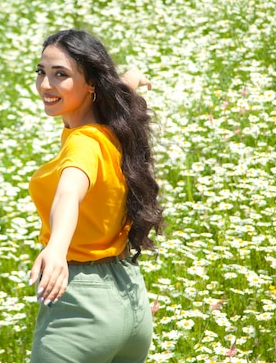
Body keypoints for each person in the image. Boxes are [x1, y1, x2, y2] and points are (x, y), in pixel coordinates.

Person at [27, 29, 164, 363]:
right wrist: (130, 79)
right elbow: (121, 90)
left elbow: (69, 193)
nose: (46, 85)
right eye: (41, 72)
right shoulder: (112, 126)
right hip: (129, 301)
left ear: (90, 85)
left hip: (81, 307)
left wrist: (57, 248)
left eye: (61, 75)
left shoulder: (84, 144)